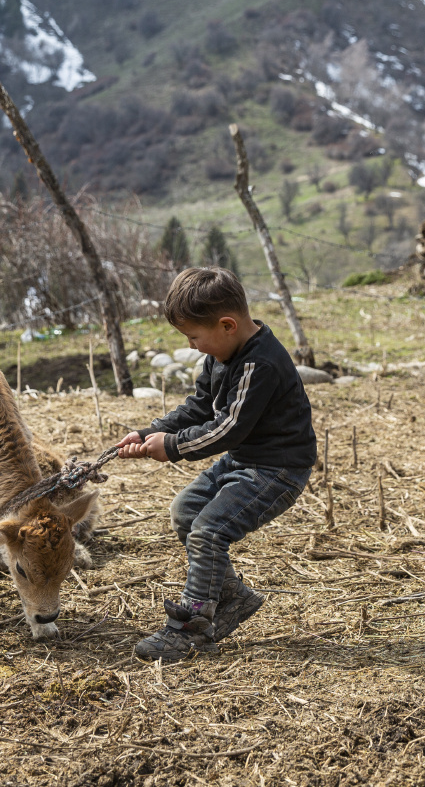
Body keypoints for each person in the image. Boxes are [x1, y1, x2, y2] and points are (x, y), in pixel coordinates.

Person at [117, 267, 316, 660]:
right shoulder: (223, 353)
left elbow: (227, 429)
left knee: (208, 531)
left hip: (278, 469)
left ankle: (191, 627)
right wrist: (150, 431)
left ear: (227, 324)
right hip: (245, 460)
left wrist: (172, 446)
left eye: (194, 336)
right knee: (186, 513)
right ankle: (232, 597)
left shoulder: (260, 365)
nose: (192, 346)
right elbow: (199, 407)